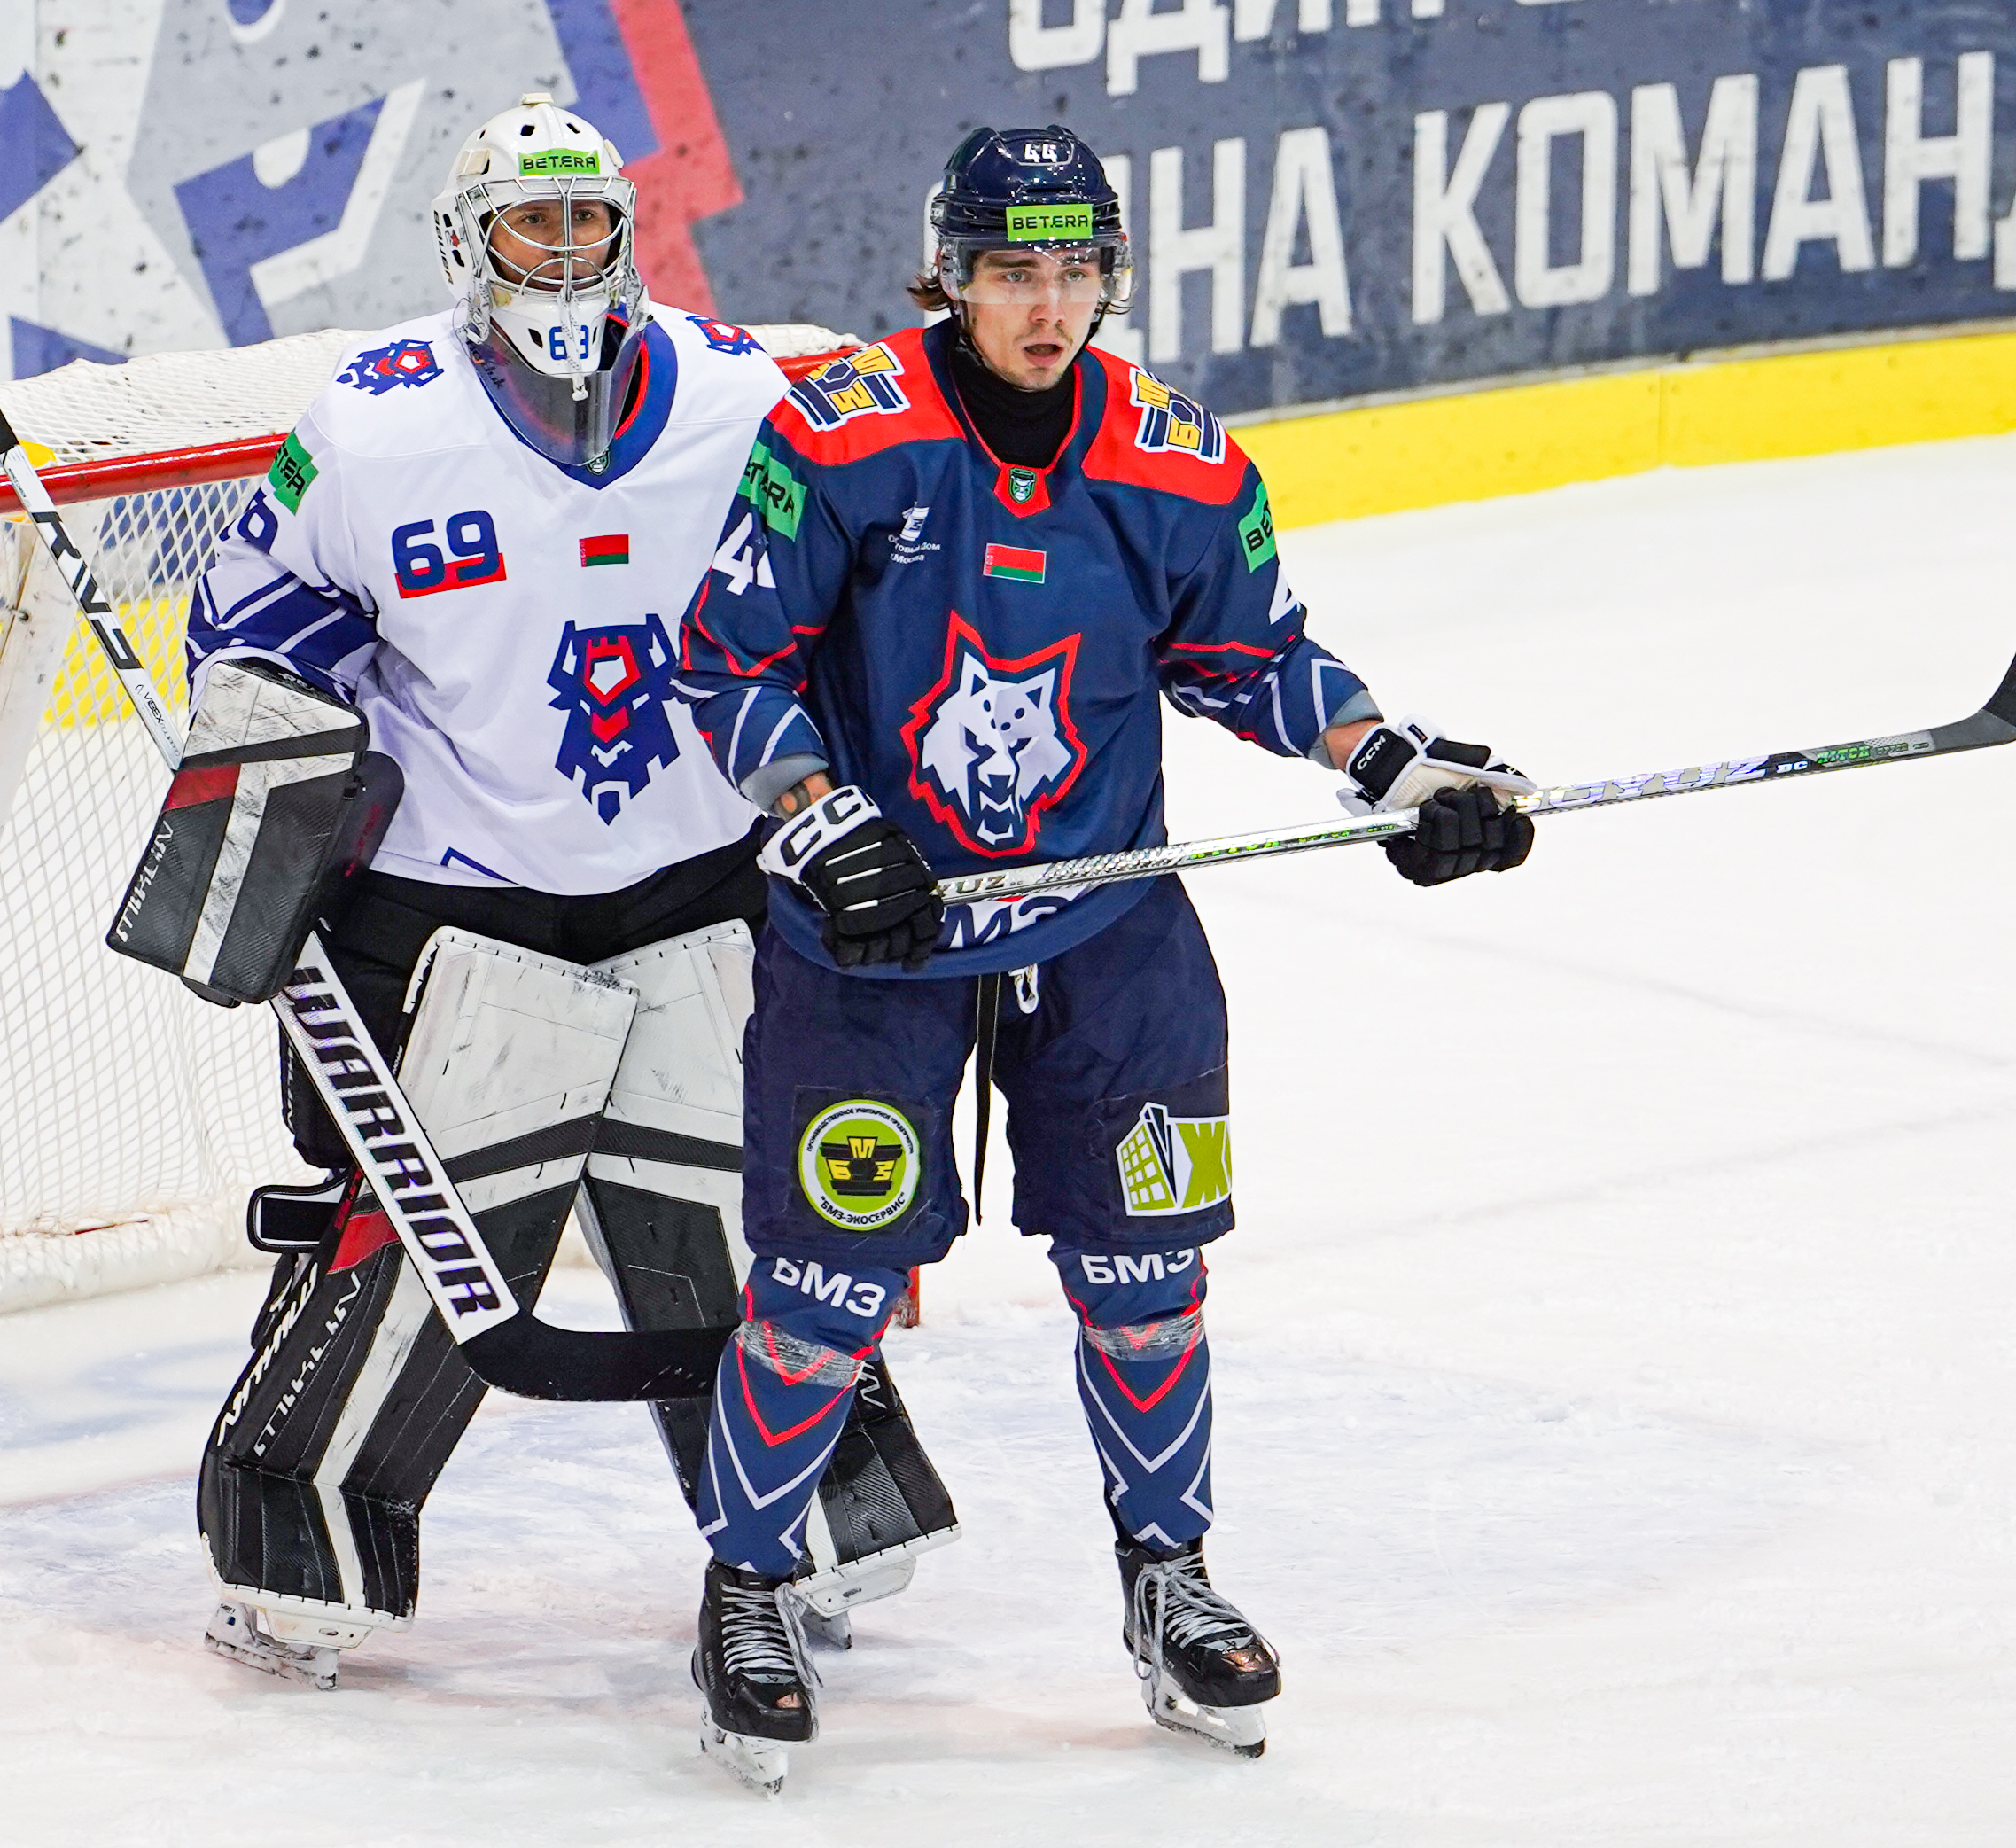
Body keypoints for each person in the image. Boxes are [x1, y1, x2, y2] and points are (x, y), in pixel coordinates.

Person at [671, 125, 1534, 1787]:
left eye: (1077, 273)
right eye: (1013, 272)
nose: (1048, 307)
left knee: (1148, 1282)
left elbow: (1250, 652)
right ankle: (750, 1583)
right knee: (824, 1288)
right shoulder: (839, 434)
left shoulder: (1177, 459)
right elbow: (726, 663)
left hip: (1104, 926)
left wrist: (1388, 761)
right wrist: (814, 816)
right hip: (881, 931)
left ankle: (1170, 1577)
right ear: (951, 276)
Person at [175, 94, 955, 1692]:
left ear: (624, 229)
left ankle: (802, 1522)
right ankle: (301, 1541)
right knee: (421, 1249)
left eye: (586, 218)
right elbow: (246, 613)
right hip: (454, 910)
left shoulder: (743, 398)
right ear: (470, 243)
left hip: (697, 889)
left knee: (749, 1228)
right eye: (529, 223)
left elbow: (855, 589)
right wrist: (291, 731)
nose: (562, 249)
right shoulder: (374, 422)